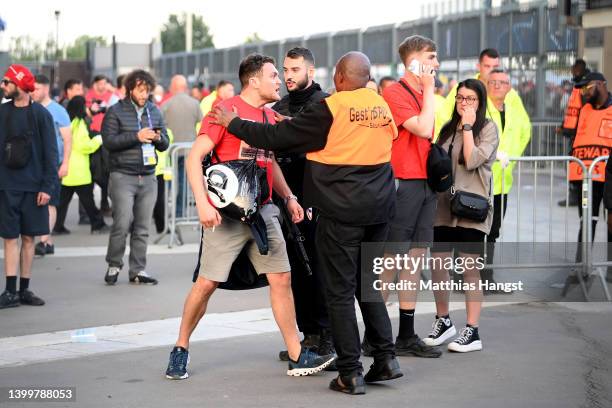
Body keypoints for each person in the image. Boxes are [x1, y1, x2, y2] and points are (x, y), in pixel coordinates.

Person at [210, 51, 403, 395]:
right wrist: (296, 127)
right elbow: (358, 138)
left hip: (343, 211)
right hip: (380, 209)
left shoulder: (333, 106)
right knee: (368, 286)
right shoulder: (379, 104)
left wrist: (233, 124)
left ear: (341, 78)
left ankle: (350, 372)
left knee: (340, 293)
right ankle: (386, 360)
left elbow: (278, 140)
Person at [165, 54, 335, 381]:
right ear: (254, 80)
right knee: (206, 284)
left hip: (265, 212)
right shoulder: (224, 111)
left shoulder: (269, 117)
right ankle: (181, 347)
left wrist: (288, 198)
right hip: (226, 215)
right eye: (274, 75)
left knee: (281, 279)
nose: (279, 80)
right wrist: (202, 203)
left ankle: (297, 354)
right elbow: (194, 157)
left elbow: (269, 162)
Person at [375, 35, 442, 359]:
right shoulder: (394, 92)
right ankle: (374, 334)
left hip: (425, 182)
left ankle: (406, 333)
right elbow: (422, 127)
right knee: (392, 258)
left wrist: (427, 91)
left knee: (415, 258)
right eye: (431, 57)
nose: (436, 64)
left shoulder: (422, 93)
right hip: (403, 182)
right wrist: (429, 90)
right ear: (413, 61)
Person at [270, 47, 334, 365]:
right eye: (285, 69)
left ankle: (329, 337)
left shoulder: (323, 103)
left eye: (295, 69)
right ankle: (307, 336)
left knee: (319, 268)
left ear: (311, 69)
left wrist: (288, 127)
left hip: (318, 198)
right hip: (287, 198)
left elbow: (321, 142)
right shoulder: (279, 105)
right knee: (296, 269)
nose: (288, 75)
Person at [427, 78, 499, 351]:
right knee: (438, 266)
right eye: (460, 98)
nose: (464, 103)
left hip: (472, 208)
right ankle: (443, 321)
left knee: (470, 269)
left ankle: (472, 330)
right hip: (443, 208)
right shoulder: (447, 129)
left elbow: (471, 159)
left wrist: (468, 126)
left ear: (480, 103)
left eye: (471, 99)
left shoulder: (487, 129)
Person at [101, 69, 169, 285]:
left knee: (142, 227)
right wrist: (136, 136)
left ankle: (138, 270)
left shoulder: (154, 111)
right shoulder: (115, 111)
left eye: (147, 91)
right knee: (121, 223)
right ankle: (114, 264)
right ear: (130, 89)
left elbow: (165, 143)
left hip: (148, 176)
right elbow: (109, 142)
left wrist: (158, 139)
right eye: (140, 91)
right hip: (123, 175)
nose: (143, 95)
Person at [0, 65, 58, 309]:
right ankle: (10, 291)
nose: (3, 85)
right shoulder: (2, 112)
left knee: (28, 239)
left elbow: (51, 154)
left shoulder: (41, 115)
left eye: (7, 81)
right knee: (9, 238)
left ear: (21, 85)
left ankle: (24, 289)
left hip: (34, 188)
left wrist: (47, 187)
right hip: (7, 186)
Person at [481, 69, 531, 290]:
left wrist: (512, 157)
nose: (498, 86)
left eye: (502, 82)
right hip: (480, 180)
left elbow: (524, 133)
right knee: (474, 232)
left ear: (509, 87)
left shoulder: (513, 110)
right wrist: (493, 155)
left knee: (494, 231)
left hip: (503, 182)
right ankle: (465, 277)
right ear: (487, 84)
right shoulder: (481, 108)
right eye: (493, 82)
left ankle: (487, 277)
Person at [569, 72, 612, 284]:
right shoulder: (584, 110)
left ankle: (611, 269)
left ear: (601, 85)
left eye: (587, 87)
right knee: (586, 222)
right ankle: (581, 266)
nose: (583, 92)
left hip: (609, 178)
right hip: (585, 177)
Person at [30, 75, 72, 255]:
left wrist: (65, 163)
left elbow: (67, 139)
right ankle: (48, 242)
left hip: (53, 164)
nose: (33, 92)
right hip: (32, 164)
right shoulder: (30, 108)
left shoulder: (58, 111)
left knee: (50, 202)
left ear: (46, 89)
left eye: (37, 88)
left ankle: (44, 240)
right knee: (36, 202)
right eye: (31, 88)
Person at [54, 96, 108, 234]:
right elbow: (83, 146)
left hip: (68, 170)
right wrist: (98, 139)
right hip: (79, 170)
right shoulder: (79, 123)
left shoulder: (68, 121)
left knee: (62, 201)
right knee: (88, 201)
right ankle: (97, 224)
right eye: (84, 105)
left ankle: (57, 226)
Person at [161, 75, 203, 219]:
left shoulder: (165, 105)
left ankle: (167, 214)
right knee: (184, 183)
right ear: (185, 87)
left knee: (170, 182)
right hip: (189, 150)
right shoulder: (195, 103)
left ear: (172, 87)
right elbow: (200, 121)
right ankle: (180, 212)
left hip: (170, 150)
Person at [559, 59, 590, 207]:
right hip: (574, 134)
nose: (573, 71)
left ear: (581, 69)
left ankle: (581, 199)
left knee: (579, 168)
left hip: (581, 135)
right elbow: (572, 111)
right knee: (573, 167)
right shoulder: (577, 86)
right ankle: (577, 197)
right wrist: (563, 127)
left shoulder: (586, 86)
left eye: (575, 69)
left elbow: (584, 112)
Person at [86, 75, 114, 214]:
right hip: (92, 135)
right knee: (93, 172)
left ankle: (104, 203)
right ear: (95, 84)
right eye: (100, 83)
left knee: (106, 171)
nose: (102, 86)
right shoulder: (89, 95)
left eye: (105, 83)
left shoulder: (111, 95)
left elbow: (121, 100)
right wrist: (92, 108)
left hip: (107, 136)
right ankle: (89, 207)